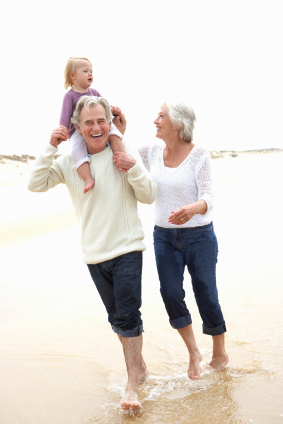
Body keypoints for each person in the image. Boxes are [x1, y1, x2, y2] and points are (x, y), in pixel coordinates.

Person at [28, 96, 157, 410]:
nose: (96, 127)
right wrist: (50, 145)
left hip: (128, 248)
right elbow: (35, 183)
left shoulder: (122, 154)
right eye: (89, 122)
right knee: (117, 320)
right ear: (78, 127)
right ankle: (139, 369)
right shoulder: (71, 163)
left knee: (128, 317)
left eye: (101, 121)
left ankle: (131, 388)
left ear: (109, 123)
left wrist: (132, 168)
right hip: (94, 254)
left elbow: (149, 195)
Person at [113, 101, 229, 380]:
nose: (156, 120)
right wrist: (120, 131)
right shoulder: (152, 152)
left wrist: (193, 208)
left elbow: (210, 197)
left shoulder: (199, 154)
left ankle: (220, 353)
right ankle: (193, 352)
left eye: (161, 116)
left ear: (177, 125)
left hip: (200, 235)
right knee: (171, 293)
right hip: (164, 236)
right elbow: (122, 154)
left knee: (206, 294)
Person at [60, 57, 126, 194]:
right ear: (73, 76)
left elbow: (105, 105)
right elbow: (65, 117)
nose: (90, 74)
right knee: (76, 152)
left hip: (100, 123)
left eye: (91, 71)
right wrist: (62, 130)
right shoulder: (69, 96)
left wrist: (114, 109)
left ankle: (121, 156)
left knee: (114, 133)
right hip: (78, 131)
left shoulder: (94, 93)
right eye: (85, 71)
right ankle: (88, 178)